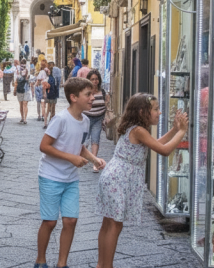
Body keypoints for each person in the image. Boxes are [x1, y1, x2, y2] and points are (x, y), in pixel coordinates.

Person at [95, 94, 188, 268]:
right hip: (119, 179)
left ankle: (103, 264)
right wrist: (182, 131)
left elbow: (156, 144)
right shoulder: (139, 130)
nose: (159, 112)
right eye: (155, 109)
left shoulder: (135, 128)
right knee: (114, 225)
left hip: (114, 176)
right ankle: (106, 265)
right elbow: (164, 150)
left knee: (109, 223)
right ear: (142, 111)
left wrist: (174, 130)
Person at [34, 78, 106, 268]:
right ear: (74, 97)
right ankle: (40, 260)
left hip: (70, 179)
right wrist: (70, 158)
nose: (93, 98)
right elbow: (44, 146)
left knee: (71, 220)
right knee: (49, 222)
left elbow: (80, 147)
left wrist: (94, 160)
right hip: (50, 176)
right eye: (88, 95)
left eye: (93, 94)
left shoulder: (86, 121)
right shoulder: (61, 119)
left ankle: (62, 263)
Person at [83, 69, 109, 172]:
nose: (95, 81)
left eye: (96, 79)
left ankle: (95, 163)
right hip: (86, 118)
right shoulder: (86, 92)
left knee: (95, 139)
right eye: (92, 79)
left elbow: (106, 105)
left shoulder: (102, 92)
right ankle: (82, 158)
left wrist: (106, 115)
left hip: (98, 118)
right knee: (84, 140)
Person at [16, 59, 30, 124]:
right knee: (24, 104)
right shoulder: (26, 69)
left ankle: (23, 118)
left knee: (22, 104)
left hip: (21, 88)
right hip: (25, 88)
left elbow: (16, 80)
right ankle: (24, 118)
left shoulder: (19, 70)